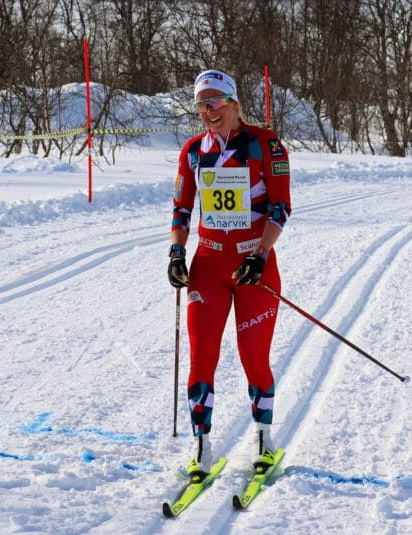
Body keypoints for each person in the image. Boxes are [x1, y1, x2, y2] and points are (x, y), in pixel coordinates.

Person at [167, 69, 292, 481]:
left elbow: (281, 207)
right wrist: (176, 252)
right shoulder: (193, 151)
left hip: (253, 266)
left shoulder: (264, 144)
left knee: (253, 356)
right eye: (202, 103)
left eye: (217, 100)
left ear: (235, 103)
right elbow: (182, 208)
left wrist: (261, 254)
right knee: (202, 355)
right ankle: (201, 445)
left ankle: (264, 439)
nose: (210, 110)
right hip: (208, 264)